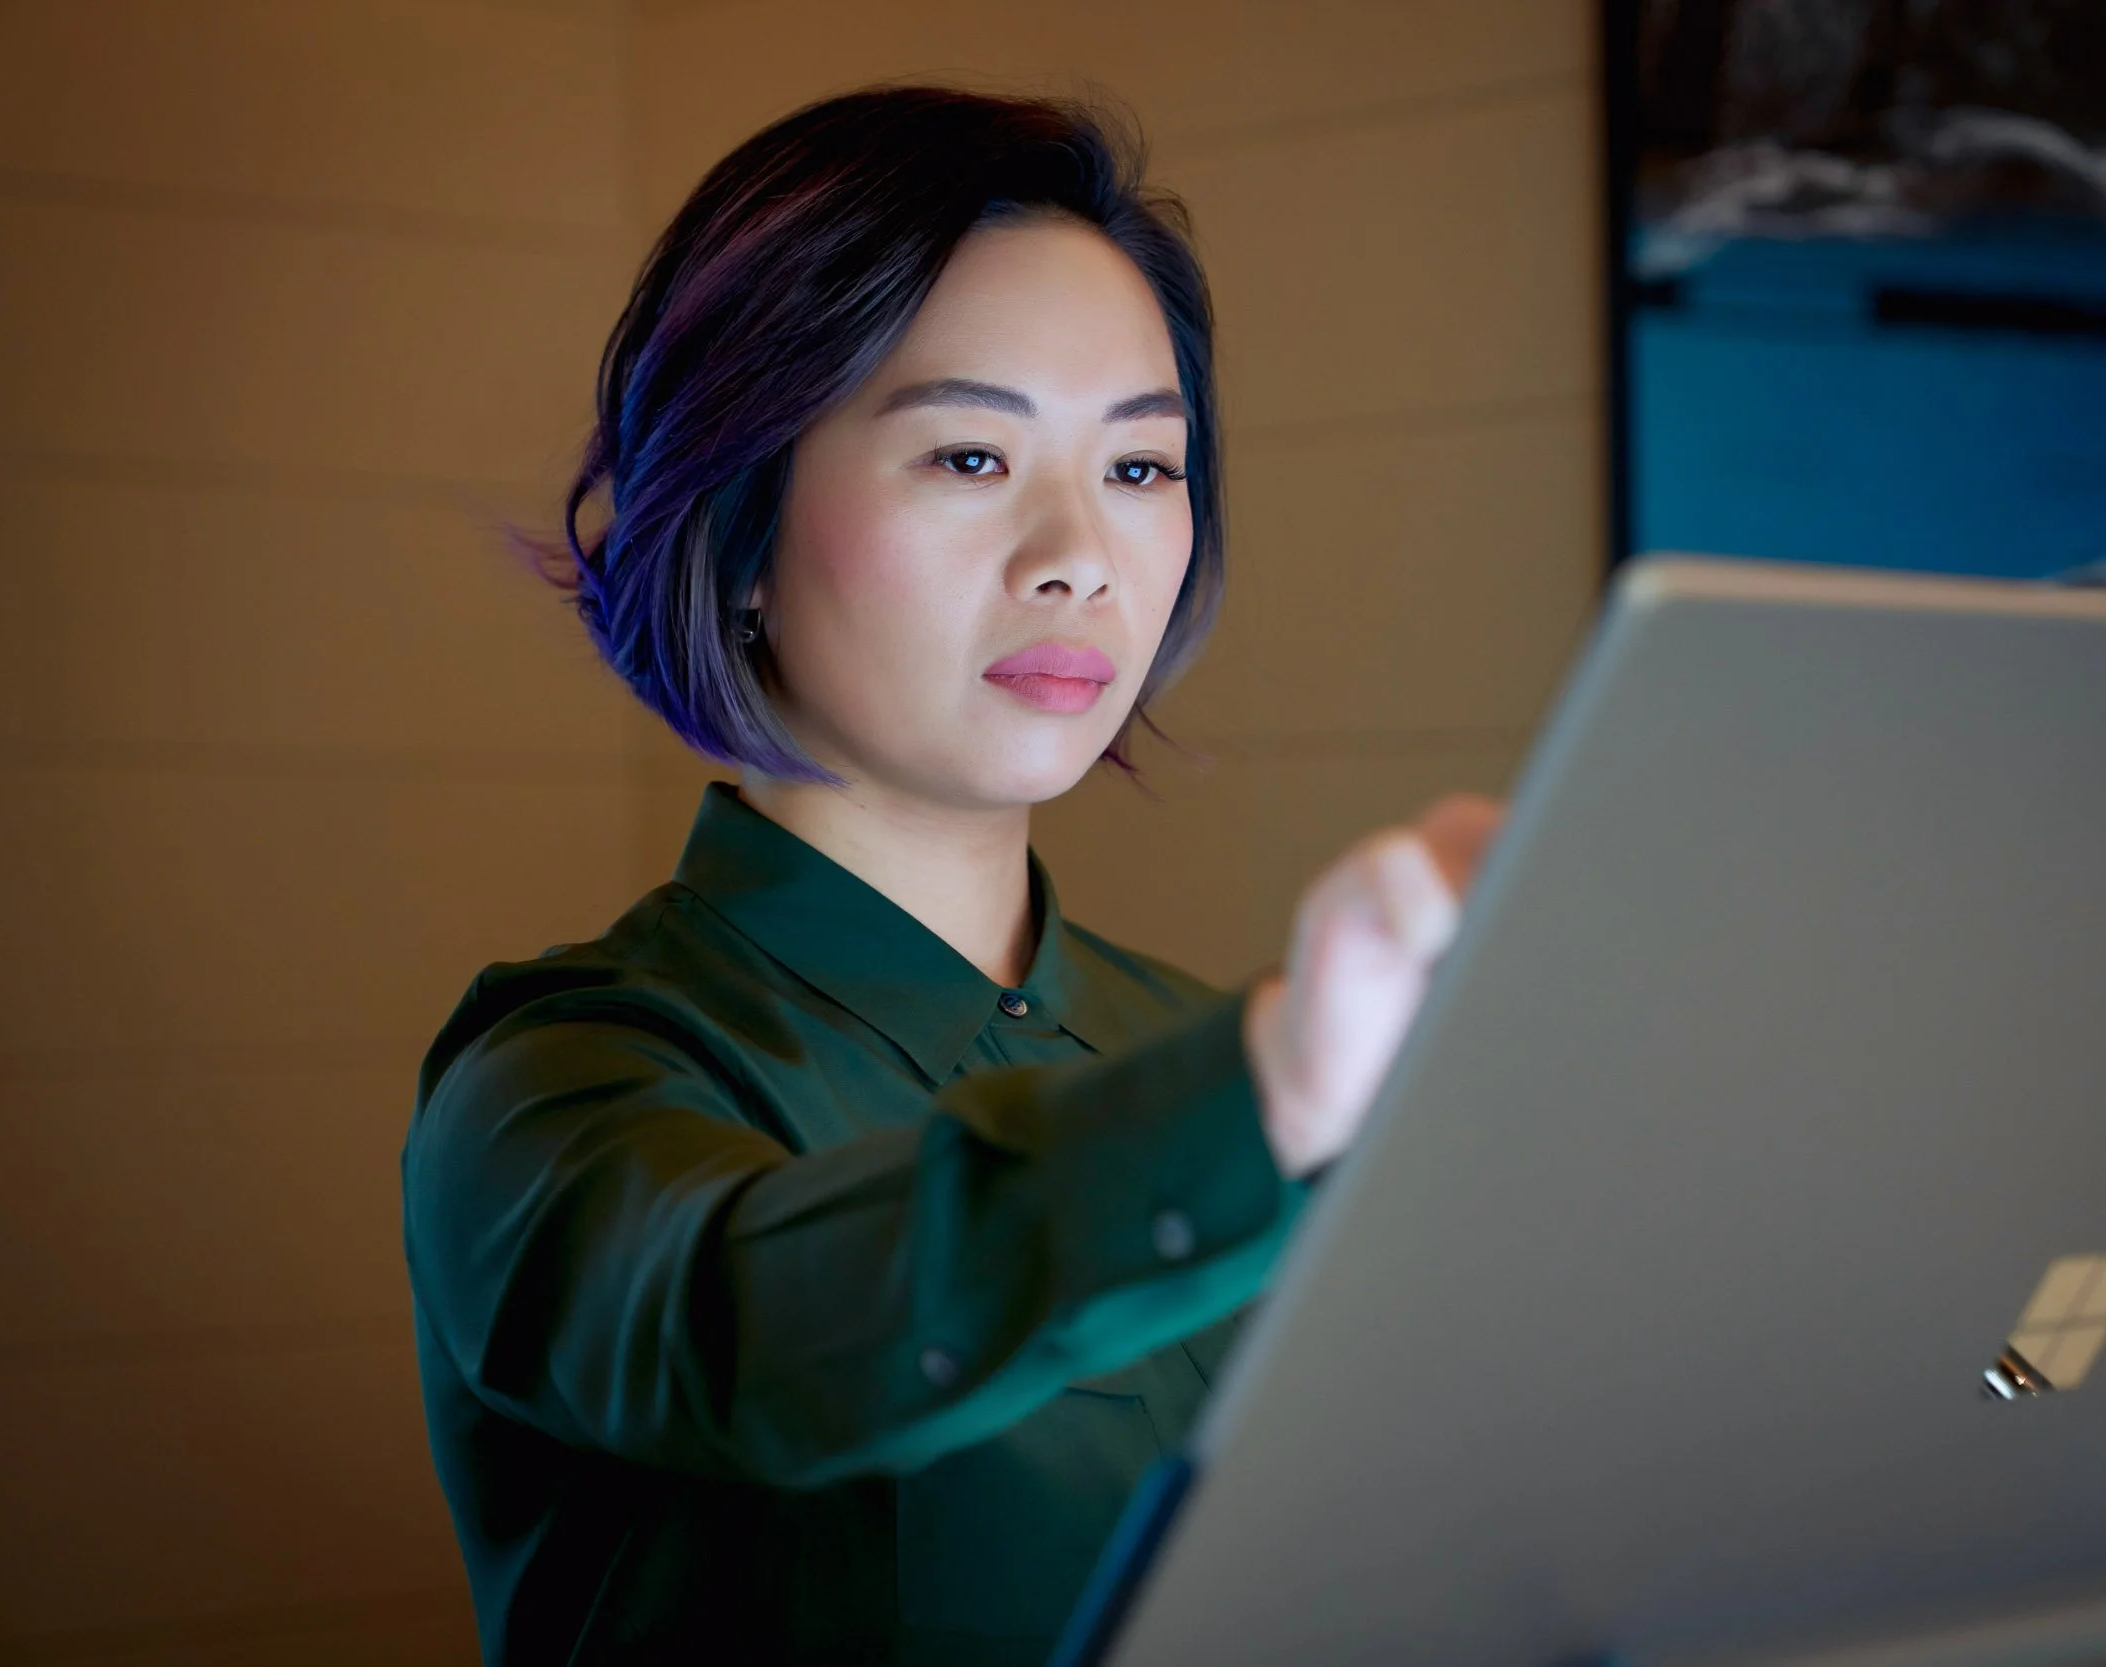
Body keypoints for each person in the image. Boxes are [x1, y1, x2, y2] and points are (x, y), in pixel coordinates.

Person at [402, 86, 1500, 1667]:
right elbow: (741, 1332)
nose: (1079, 556)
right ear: (740, 519)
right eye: (972, 454)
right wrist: (1265, 1094)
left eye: (1142, 468)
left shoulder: (1205, 1037)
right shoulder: (558, 1082)